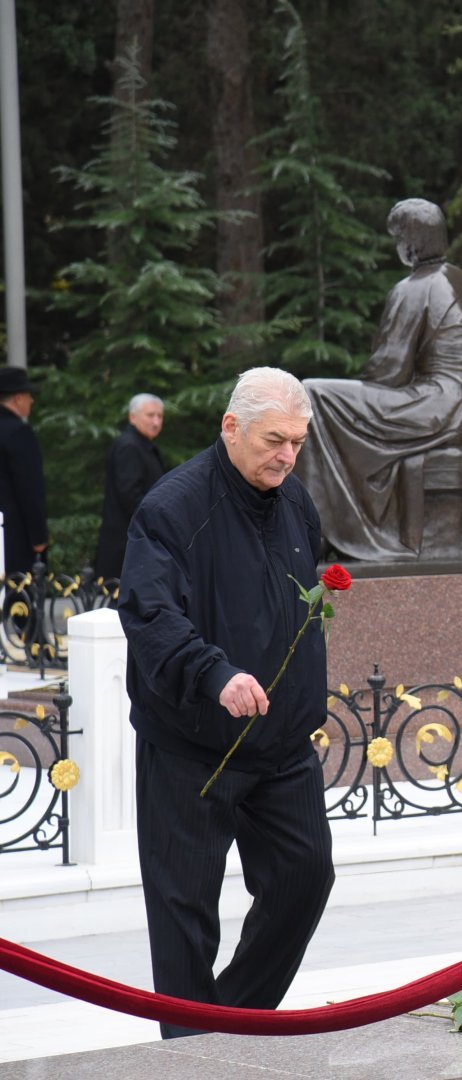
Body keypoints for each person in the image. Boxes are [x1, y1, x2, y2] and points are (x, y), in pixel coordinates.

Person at [118, 367, 333, 1039]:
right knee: (185, 913)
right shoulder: (171, 507)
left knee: (305, 878)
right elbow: (150, 614)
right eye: (275, 440)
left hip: (282, 747)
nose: (287, 456)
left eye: (297, 442)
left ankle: (230, 1020)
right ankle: (189, 1057)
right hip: (191, 747)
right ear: (231, 427)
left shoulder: (296, 503)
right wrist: (214, 674)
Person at [296, 198, 462, 560]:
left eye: (398, 239)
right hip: (460, 412)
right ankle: (337, 524)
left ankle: (323, 531)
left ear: (410, 243)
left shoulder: (413, 288)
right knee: (323, 401)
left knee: (311, 394)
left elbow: (388, 372)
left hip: (430, 407)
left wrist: (360, 394)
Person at [92, 393, 166, 581]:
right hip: (126, 542)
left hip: (137, 538)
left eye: (160, 416)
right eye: (150, 415)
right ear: (133, 417)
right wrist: (158, 523)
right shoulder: (129, 447)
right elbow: (131, 496)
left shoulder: (143, 446)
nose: (156, 422)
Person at [0, 366, 47, 583]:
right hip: (14, 535)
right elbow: (30, 488)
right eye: (29, 396)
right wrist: (38, 536)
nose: (32, 401)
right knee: (20, 594)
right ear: (18, 398)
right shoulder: (18, 433)